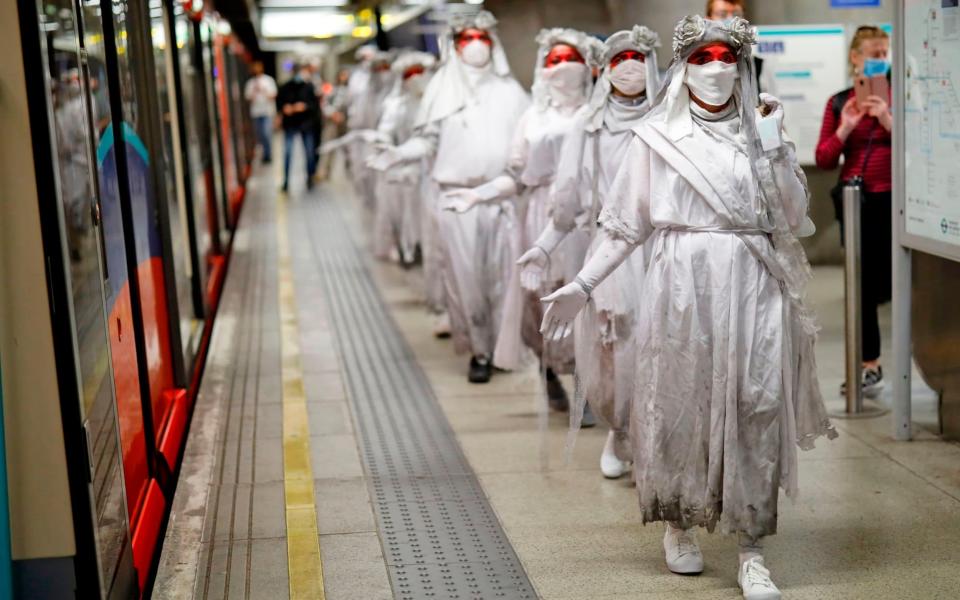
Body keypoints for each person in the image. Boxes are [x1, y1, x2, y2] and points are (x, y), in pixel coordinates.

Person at [539, 16, 836, 600]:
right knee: (680, 397)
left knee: (756, 401)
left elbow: (793, 216)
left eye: (728, 57)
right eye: (703, 58)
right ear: (684, 68)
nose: (717, 67)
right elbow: (625, 225)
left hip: (753, 280)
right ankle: (678, 523)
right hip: (682, 281)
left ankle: (752, 547)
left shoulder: (762, 129)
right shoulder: (655, 137)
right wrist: (584, 282)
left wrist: (774, 145)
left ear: (742, 66)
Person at [516, 25, 662, 478]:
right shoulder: (589, 127)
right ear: (605, 69)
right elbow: (568, 200)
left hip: (663, 246)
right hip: (611, 250)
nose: (630, 68)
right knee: (612, 345)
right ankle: (619, 429)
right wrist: (543, 246)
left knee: (660, 343)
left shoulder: (667, 124)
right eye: (619, 61)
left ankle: (657, 436)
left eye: (638, 58)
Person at [440, 28, 600, 407]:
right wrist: (478, 194)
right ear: (543, 68)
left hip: (592, 218)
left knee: (592, 298)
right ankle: (548, 369)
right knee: (541, 297)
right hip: (542, 215)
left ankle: (591, 382)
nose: (562, 68)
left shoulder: (599, 114)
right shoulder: (532, 117)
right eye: (554, 61)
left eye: (570, 60)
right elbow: (517, 176)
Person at [372, 10, 530, 383]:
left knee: (504, 278)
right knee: (466, 279)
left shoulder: (511, 92)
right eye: (467, 39)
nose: (476, 46)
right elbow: (426, 140)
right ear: (456, 46)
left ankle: (503, 344)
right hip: (457, 201)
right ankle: (478, 348)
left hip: (500, 199)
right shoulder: (442, 91)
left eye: (482, 38)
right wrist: (398, 153)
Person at [815, 25, 892, 398]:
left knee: (890, 284)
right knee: (862, 287)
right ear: (855, 58)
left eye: (884, 53)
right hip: (855, 200)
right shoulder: (838, 101)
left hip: (897, 201)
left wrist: (888, 119)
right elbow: (824, 158)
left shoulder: (904, 95)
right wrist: (847, 126)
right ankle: (869, 364)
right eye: (873, 54)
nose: (880, 61)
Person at [367, 51, 437, 265]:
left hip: (435, 173)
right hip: (406, 172)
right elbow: (385, 131)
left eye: (419, 72)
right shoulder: (396, 105)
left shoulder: (440, 104)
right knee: (406, 215)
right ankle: (409, 248)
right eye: (409, 74)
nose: (415, 78)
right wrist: (386, 147)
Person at [346, 50, 395, 208]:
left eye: (385, 68)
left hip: (390, 148)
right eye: (378, 69)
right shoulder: (361, 85)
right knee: (368, 178)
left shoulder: (395, 95)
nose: (382, 73)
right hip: (367, 143)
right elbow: (357, 116)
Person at [705, 0, 773, 95]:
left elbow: (773, 103)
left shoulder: (758, 65)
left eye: (737, 14)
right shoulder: (697, 61)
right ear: (708, 19)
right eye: (722, 15)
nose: (731, 20)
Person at [276, 62, 320, 192]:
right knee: (288, 153)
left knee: (309, 153)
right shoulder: (285, 87)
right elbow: (279, 104)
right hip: (290, 124)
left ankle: (310, 177)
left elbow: (315, 106)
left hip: (306, 124)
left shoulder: (309, 87)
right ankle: (286, 181)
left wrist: (304, 106)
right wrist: (285, 109)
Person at [244, 60, 277, 164]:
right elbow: (248, 98)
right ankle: (264, 152)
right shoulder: (250, 83)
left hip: (267, 112)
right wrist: (254, 91)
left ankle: (268, 154)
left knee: (266, 133)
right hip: (256, 112)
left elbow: (273, 95)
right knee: (259, 134)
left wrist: (263, 90)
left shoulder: (268, 80)